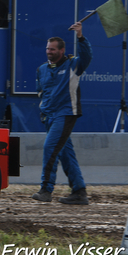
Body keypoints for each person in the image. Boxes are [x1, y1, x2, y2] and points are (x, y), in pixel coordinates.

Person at [32, 22, 92, 205]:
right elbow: (41, 92)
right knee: (66, 154)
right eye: (47, 48)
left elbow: (87, 56)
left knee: (50, 147)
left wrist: (81, 36)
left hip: (65, 114)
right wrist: (44, 112)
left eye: (52, 49)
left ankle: (46, 189)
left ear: (62, 50)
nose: (49, 51)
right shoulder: (42, 69)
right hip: (49, 117)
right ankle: (79, 191)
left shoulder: (74, 65)